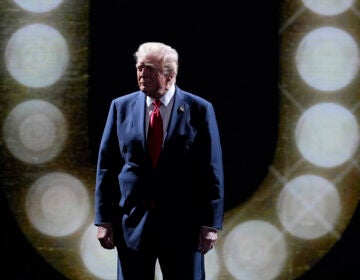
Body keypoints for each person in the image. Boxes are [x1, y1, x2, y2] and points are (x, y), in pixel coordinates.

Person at [94, 41, 224, 280]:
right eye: (140, 67)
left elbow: (211, 169)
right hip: (132, 223)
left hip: (183, 226)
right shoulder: (120, 107)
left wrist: (210, 224)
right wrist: (103, 220)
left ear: (171, 74)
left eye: (150, 69)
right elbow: (107, 167)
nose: (143, 74)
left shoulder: (200, 110)